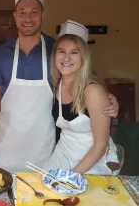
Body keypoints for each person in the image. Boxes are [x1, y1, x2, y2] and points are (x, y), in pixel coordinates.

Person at [0, 0, 119, 173]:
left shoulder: (54, 48)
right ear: (15, 16)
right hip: (5, 140)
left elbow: (85, 78)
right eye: (22, 12)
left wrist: (109, 100)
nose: (28, 18)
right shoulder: (0, 53)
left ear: (43, 15)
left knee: (39, 196)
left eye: (34, 12)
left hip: (42, 144)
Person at [44, 20, 116, 175]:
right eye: (62, 51)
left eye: (74, 52)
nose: (67, 58)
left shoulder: (92, 92)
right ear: (55, 54)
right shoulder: (57, 84)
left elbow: (101, 144)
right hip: (63, 155)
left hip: (95, 162)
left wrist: (73, 175)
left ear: (83, 57)